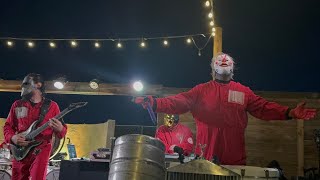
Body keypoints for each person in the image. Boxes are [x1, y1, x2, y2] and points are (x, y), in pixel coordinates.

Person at [135, 52, 317, 165]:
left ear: (232, 69)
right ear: (213, 70)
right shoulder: (201, 90)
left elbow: (263, 107)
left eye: (226, 63)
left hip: (235, 162)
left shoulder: (243, 92)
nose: (223, 65)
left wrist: (289, 112)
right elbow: (179, 101)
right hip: (205, 160)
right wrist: (156, 103)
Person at [3, 73, 67, 180]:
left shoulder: (52, 106)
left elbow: (62, 132)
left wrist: (60, 129)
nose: (23, 86)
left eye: (27, 83)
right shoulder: (17, 105)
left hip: (41, 149)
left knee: (37, 177)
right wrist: (12, 138)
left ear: (38, 85)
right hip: (20, 150)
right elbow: (8, 126)